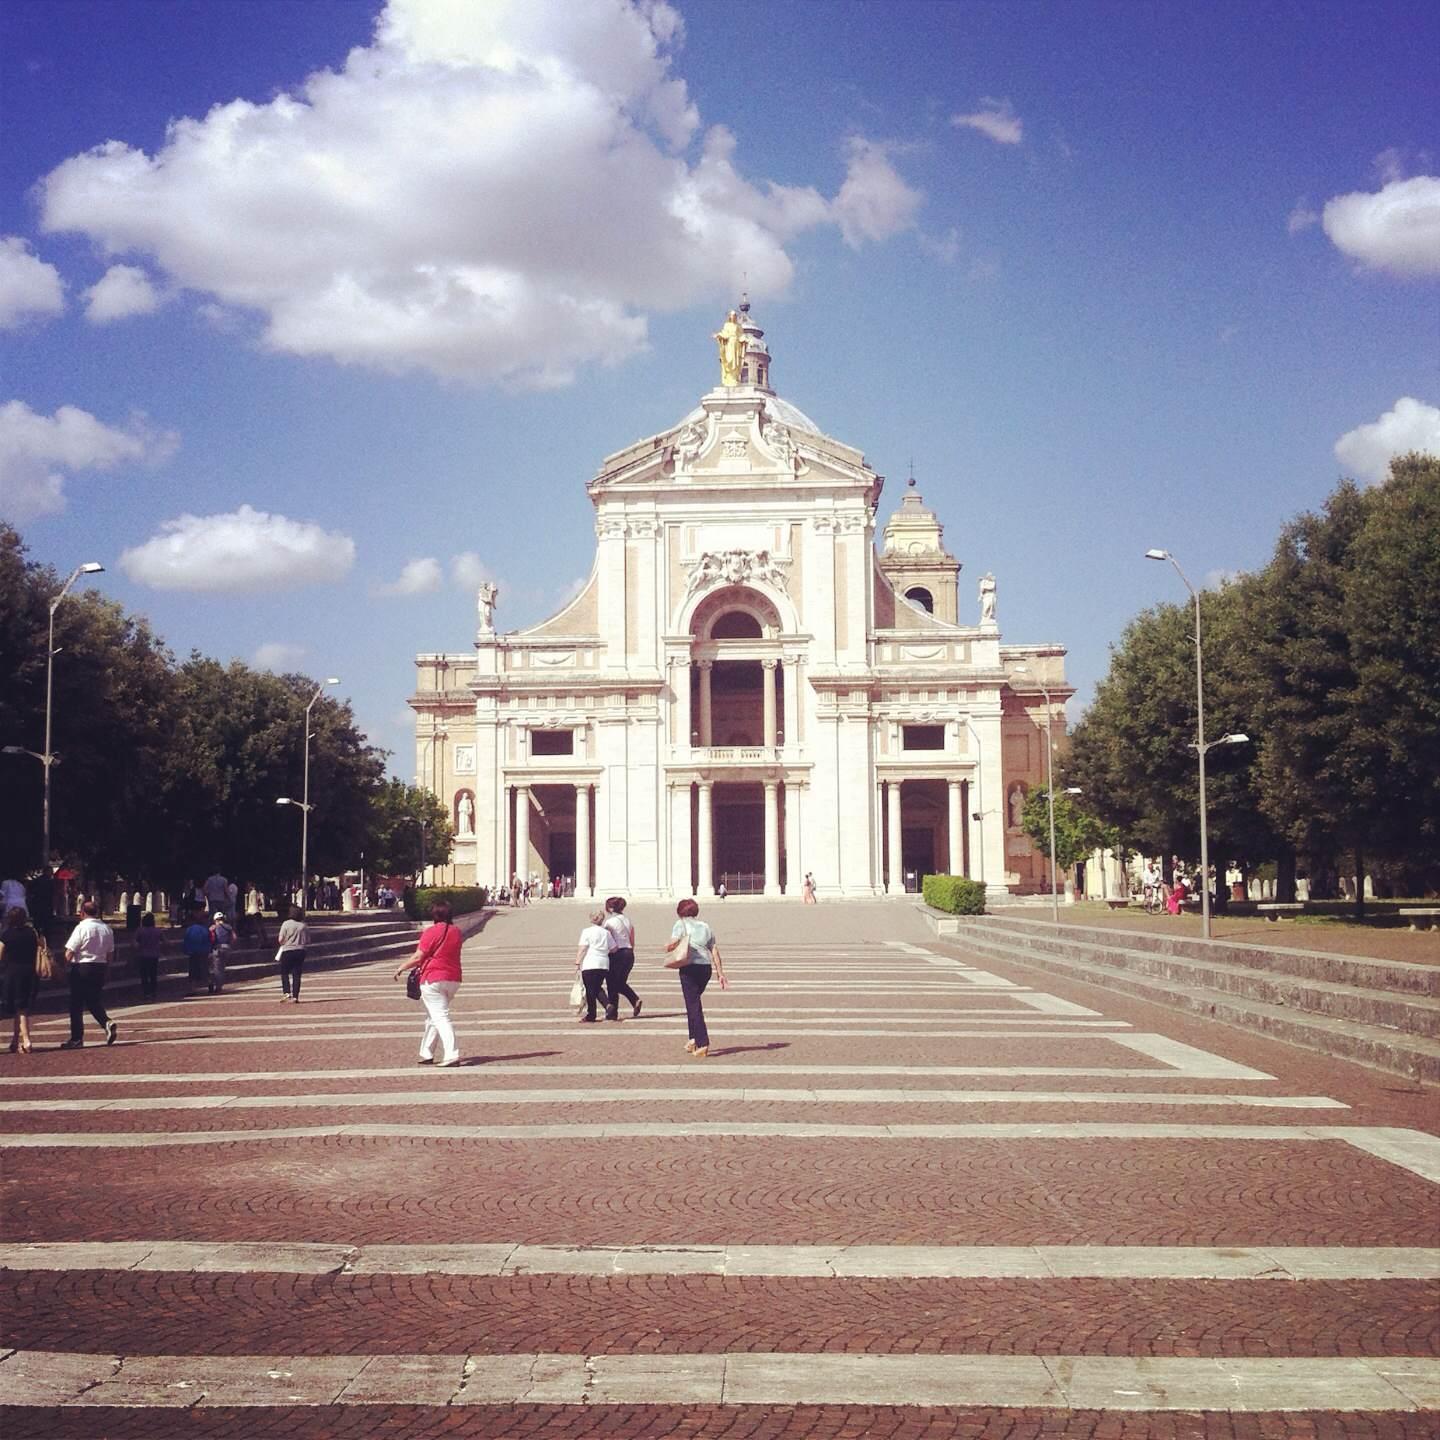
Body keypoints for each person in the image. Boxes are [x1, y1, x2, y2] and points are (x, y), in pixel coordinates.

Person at [393, 900, 463, 1066]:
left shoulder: (431, 932)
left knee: (440, 1016)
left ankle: (452, 1054)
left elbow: (418, 956)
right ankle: (427, 1052)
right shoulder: (456, 932)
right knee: (433, 1016)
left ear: (434, 915)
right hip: (453, 979)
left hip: (433, 978)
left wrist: (401, 967)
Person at [664, 898, 727, 1059]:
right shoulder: (705, 926)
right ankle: (693, 1039)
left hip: (689, 967)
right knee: (693, 1004)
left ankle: (703, 1043)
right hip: (705, 969)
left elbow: (672, 944)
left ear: (680, 912)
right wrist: (720, 973)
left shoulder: (680, 924)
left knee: (693, 1006)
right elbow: (714, 950)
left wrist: (667, 947)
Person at [62, 899, 116, 1049]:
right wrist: (108, 969)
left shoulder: (82, 928)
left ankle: (77, 1038)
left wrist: (63, 966)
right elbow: (110, 953)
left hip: (82, 968)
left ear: (82, 913)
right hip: (100, 966)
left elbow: (70, 951)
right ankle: (106, 1022)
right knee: (93, 999)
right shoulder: (107, 929)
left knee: (76, 1004)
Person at [1, 905, 40, 1054]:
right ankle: (15, 1040)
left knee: (20, 1008)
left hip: (13, 973)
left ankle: (26, 1040)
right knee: (21, 1007)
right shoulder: (31, 933)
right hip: (29, 972)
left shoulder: (7, 934)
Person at [602, 896, 642, 1019]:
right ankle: (634, 1000)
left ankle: (612, 1013)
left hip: (617, 953)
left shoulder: (610, 922)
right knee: (619, 982)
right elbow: (632, 938)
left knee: (612, 983)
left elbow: (607, 939)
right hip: (629, 953)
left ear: (610, 908)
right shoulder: (627, 920)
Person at [574, 910, 613, 1022]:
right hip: (604, 964)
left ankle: (593, 1014)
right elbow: (613, 948)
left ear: (591, 919)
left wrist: (577, 962)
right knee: (596, 988)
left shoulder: (587, 931)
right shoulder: (606, 933)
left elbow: (582, 948)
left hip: (590, 963)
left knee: (591, 990)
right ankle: (607, 1006)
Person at [276, 905, 309, 1002]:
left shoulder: (286, 924)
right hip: (300, 950)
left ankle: (286, 992)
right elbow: (308, 940)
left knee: (284, 972)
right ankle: (295, 996)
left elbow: (280, 939)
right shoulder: (303, 925)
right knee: (297, 974)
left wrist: (285, 942)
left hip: (288, 950)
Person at [181, 909, 213, 993]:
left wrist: (186, 950)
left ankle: (192, 988)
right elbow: (208, 940)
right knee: (204, 968)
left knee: (193, 970)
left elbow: (186, 941)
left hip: (193, 952)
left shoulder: (190, 929)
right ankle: (209, 983)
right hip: (203, 952)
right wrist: (209, 950)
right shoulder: (205, 929)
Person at [133, 912, 163, 1000]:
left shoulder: (140, 930)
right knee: (153, 974)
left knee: (144, 975)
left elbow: (134, 942)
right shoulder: (158, 931)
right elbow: (166, 941)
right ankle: (153, 991)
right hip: (154, 955)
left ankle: (146, 992)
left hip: (143, 955)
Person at [209, 911, 235, 993]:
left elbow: (211, 938)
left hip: (217, 948)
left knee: (216, 969)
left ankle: (217, 986)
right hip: (227, 948)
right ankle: (219, 984)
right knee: (222, 968)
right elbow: (234, 937)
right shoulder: (229, 927)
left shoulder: (214, 927)